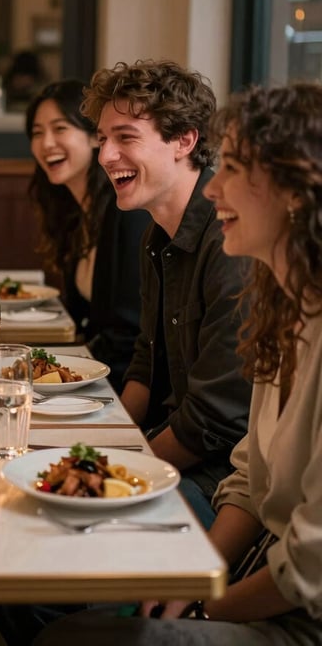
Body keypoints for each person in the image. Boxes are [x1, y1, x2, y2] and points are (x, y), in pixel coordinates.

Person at [34, 82, 322, 645]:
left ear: (295, 191)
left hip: (292, 611)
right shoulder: (284, 308)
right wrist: (199, 579)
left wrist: (204, 607)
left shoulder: (239, 264)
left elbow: (306, 568)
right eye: (103, 138)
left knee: (68, 586)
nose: (213, 188)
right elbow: (250, 476)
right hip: (247, 547)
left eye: (233, 168)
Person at [82, 59, 252, 527]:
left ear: (185, 141)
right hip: (173, 447)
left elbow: (215, 421)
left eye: (125, 137)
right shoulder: (156, 235)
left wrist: (113, 473)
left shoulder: (231, 242)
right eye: (103, 139)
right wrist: (109, 444)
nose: (105, 155)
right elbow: (146, 360)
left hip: (222, 481)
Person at [26, 79, 148, 389]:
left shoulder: (126, 211)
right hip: (91, 375)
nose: (46, 143)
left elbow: (130, 334)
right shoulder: (73, 212)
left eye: (60, 128)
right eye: (37, 133)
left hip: (117, 383)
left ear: (95, 137)